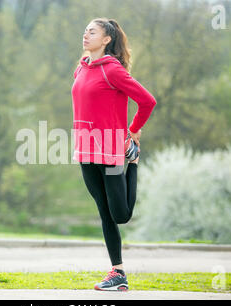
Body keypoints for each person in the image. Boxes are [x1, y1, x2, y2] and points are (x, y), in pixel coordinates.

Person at [71, 17, 157, 291]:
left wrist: (133, 131)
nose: (86, 35)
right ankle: (117, 273)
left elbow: (147, 101)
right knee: (104, 213)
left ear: (106, 39)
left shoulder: (113, 70)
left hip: (111, 152)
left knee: (120, 214)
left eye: (92, 32)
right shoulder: (81, 68)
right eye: (85, 30)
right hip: (86, 150)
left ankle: (134, 162)